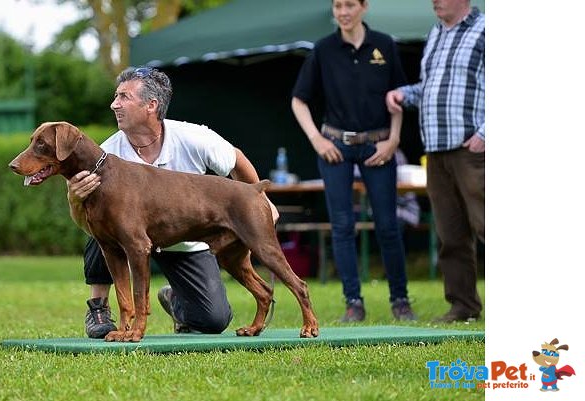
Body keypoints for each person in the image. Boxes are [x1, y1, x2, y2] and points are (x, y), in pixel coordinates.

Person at [67, 66, 278, 338]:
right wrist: (75, 201)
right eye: (115, 96)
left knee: (213, 320)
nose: (114, 104)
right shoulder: (105, 153)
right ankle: (98, 308)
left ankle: (176, 299)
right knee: (102, 223)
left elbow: (236, 160)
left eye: (123, 97)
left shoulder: (194, 137)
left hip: (186, 242)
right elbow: (87, 223)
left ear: (151, 105)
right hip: (130, 238)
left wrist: (259, 201)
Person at [291, 0, 415, 322]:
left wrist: (394, 139)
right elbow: (298, 100)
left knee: (388, 225)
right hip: (336, 146)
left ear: (364, 7)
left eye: (349, 5)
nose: (343, 12)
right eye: (337, 6)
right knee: (342, 226)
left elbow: (398, 96)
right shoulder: (323, 49)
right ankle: (353, 303)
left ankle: (400, 300)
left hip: (378, 146)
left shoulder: (385, 45)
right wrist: (317, 140)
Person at [386, 0, 484, 323]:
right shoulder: (436, 33)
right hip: (436, 151)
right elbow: (431, 88)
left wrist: (487, 133)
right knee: (450, 234)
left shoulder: (486, 31)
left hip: (473, 151)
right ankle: (463, 306)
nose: (434, 1)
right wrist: (405, 94)